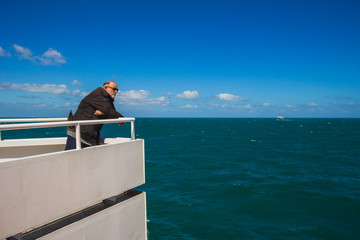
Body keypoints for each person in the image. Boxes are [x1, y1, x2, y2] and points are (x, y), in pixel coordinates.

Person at [65, 80, 124, 150]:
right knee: (72, 157)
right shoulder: (98, 95)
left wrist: (103, 113)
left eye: (117, 90)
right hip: (79, 134)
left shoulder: (106, 98)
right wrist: (121, 118)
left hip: (86, 135)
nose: (116, 91)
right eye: (114, 89)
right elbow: (109, 110)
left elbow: (108, 111)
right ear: (105, 87)